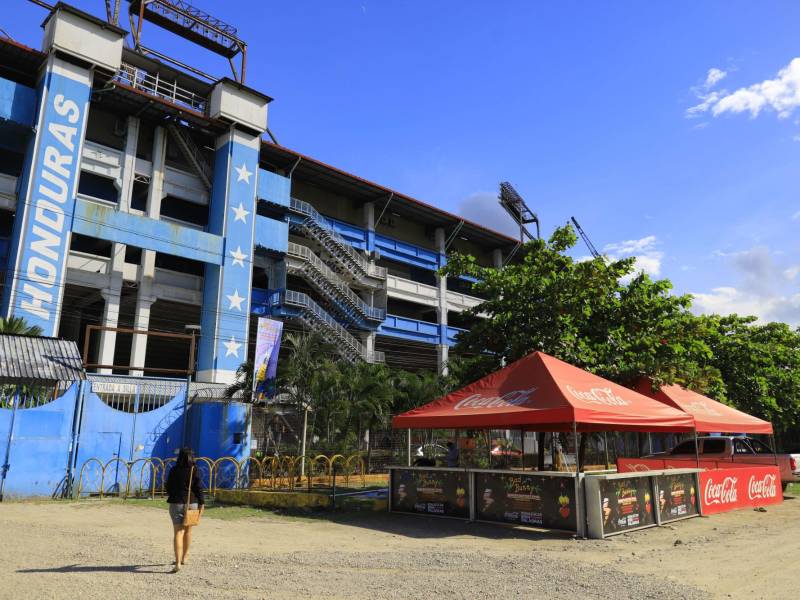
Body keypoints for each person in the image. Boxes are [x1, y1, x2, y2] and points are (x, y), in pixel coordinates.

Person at [165, 447, 205, 573]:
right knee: (188, 531)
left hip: (176, 503)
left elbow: (168, 486)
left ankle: (177, 563)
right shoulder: (194, 470)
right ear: (191, 457)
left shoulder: (173, 470)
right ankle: (185, 557)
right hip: (191, 503)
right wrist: (202, 503)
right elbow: (198, 487)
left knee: (178, 532)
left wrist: (174, 493)